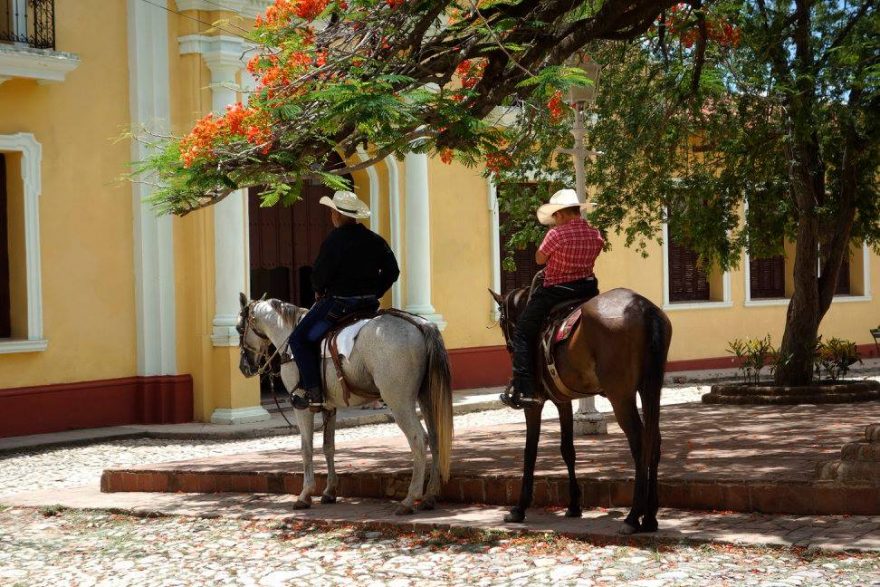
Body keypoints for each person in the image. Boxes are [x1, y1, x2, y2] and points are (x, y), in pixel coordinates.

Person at [288, 190, 400, 410]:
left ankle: (314, 392)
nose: (331, 215)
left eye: (332, 212)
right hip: (368, 306)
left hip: (338, 307)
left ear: (337, 215)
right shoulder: (375, 240)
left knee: (299, 340)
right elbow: (393, 271)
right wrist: (375, 292)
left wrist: (319, 290)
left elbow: (319, 276)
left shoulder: (334, 241)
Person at [500, 188, 604, 409]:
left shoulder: (556, 234)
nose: (554, 221)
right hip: (587, 291)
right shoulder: (595, 234)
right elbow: (596, 252)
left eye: (555, 217)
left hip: (557, 292)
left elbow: (539, 259)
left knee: (522, 333)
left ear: (562, 214)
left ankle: (524, 389)